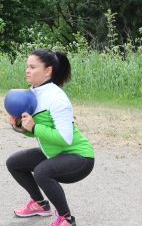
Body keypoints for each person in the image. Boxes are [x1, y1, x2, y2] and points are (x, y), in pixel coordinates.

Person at [6, 49, 95, 226]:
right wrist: (20, 126)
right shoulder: (33, 93)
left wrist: (35, 126)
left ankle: (67, 219)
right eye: (27, 66)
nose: (27, 70)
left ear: (48, 71)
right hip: (55, 153)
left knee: (42, 172)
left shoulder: (56, 98)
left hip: (79, 157)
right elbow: (35, 130)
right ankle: (40, 204)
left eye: (32, 67)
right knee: (14, 163)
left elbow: (64, 138)